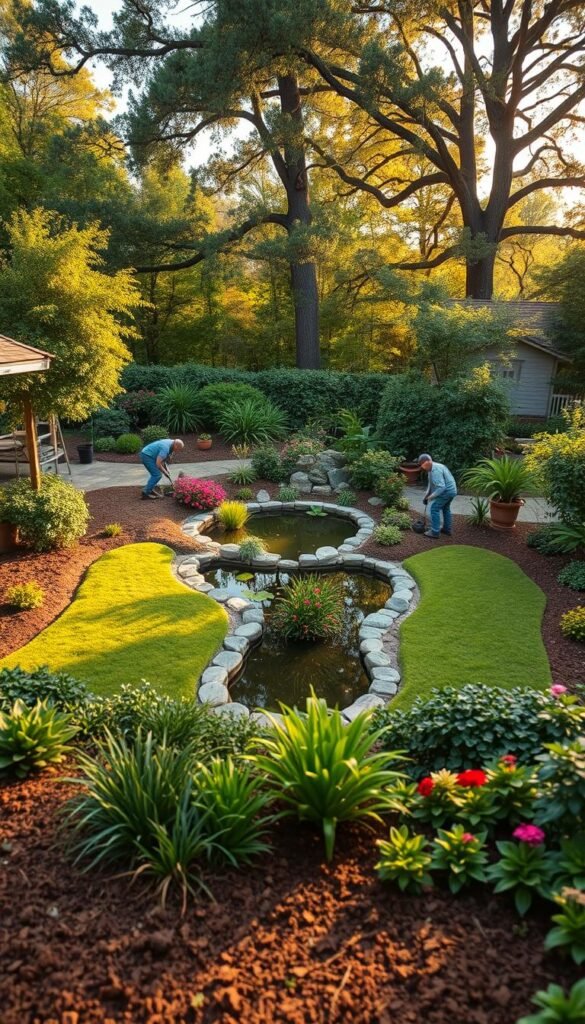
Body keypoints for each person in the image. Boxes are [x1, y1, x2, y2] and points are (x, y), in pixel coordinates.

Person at [417, 453, 457, 539]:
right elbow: (430, 485)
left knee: (434, 508)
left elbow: (441, 487)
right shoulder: (431, 469)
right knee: (446, 509)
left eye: (422, 464)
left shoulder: (436, 470)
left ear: (428, 462)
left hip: (446, 491)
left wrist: (431, 497)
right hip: (452, 491)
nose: (422, 467)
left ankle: (435, 532)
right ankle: (447, 529)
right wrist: (426, 496)